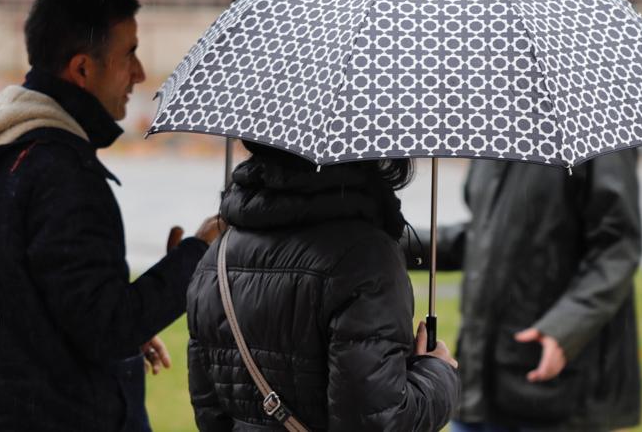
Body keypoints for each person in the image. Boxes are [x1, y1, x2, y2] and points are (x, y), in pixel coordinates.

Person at [0, 0, 222, 431]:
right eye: (129, 53)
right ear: (83, 69)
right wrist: (199, 254)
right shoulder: (61, 174)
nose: (141, 73)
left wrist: (110, 322)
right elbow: (107, 328)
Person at [186, 141, 460, 431]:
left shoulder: (216, 257)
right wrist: (437, 373)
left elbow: (210, 412)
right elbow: (376, 423)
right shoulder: (366, 259)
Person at [411, 150, 642, 432]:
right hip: (480, 382)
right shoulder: (495, 126)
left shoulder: (597, 128)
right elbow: (483, 237)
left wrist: (565, 328)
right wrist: (395, 243)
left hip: (558, 390)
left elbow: (618, 247)